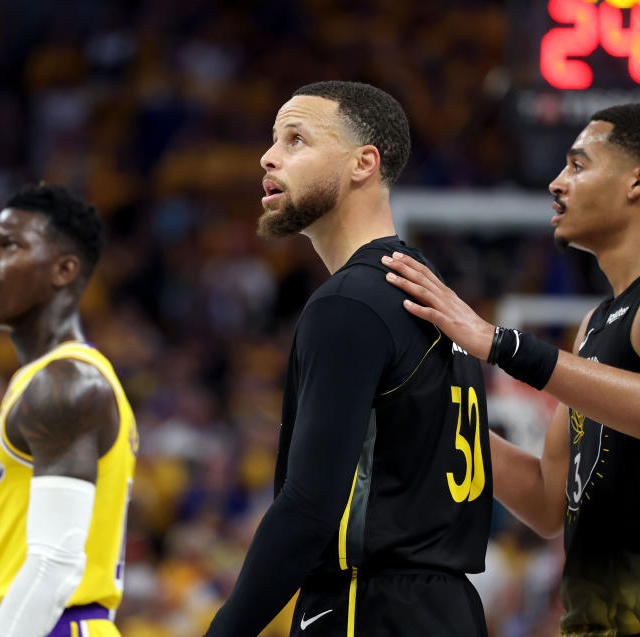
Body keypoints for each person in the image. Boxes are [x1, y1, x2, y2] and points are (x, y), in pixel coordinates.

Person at [382, 103, 640, 637]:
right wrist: (430, 418)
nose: (557, 182)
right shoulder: (593, 324)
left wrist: (498, 343)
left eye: (578, 165)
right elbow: (547, 499)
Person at [205, 81, 492, 636]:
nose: (269, 156)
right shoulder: (434, 295)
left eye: (296, 140)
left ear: (364, 164)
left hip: (370, 605)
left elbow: (310, 508)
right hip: (450, 610)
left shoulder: (350, 304)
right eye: (272, 140)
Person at [0, 184, 138, 637]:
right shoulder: (48, 378)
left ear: (63, 269)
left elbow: (55, 565)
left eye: (10, 245)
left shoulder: (66, 384)